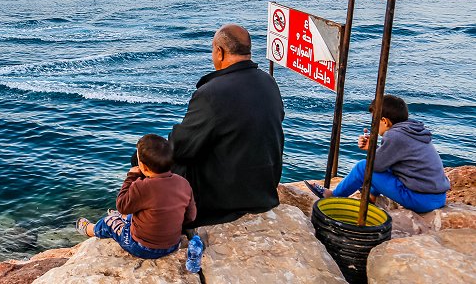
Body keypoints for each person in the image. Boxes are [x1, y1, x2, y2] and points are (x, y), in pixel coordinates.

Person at [136, 24, 284, 227]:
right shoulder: (269, 83)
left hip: (223, 202)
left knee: (153, 157)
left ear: (220, 52)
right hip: (263, 192)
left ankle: (146, 219)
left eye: (213, 50)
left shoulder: (211, 93)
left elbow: (180, 148)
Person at [305, 95, 450, 213]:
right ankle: (372, 195)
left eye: (374, 121)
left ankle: (333, 196)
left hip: (421, 200)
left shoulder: (395, 136)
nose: (373, 125)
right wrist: (372, 148)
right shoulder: (412, 130)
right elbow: (391, 161)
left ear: (384, 121)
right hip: (438, 197)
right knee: (381, 167)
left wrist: (371, 149)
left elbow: (375, 166)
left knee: (363, 167)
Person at [76, 134, 196, 260]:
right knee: (146, 211)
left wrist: (131, 177)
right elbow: (190, 216)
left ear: (142, 167)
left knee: (109, 223)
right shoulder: (184, 183)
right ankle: (124, 218)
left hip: (141, 247)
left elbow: (122, 205)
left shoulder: (141, 186)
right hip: (172, 244)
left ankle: (90, 229)